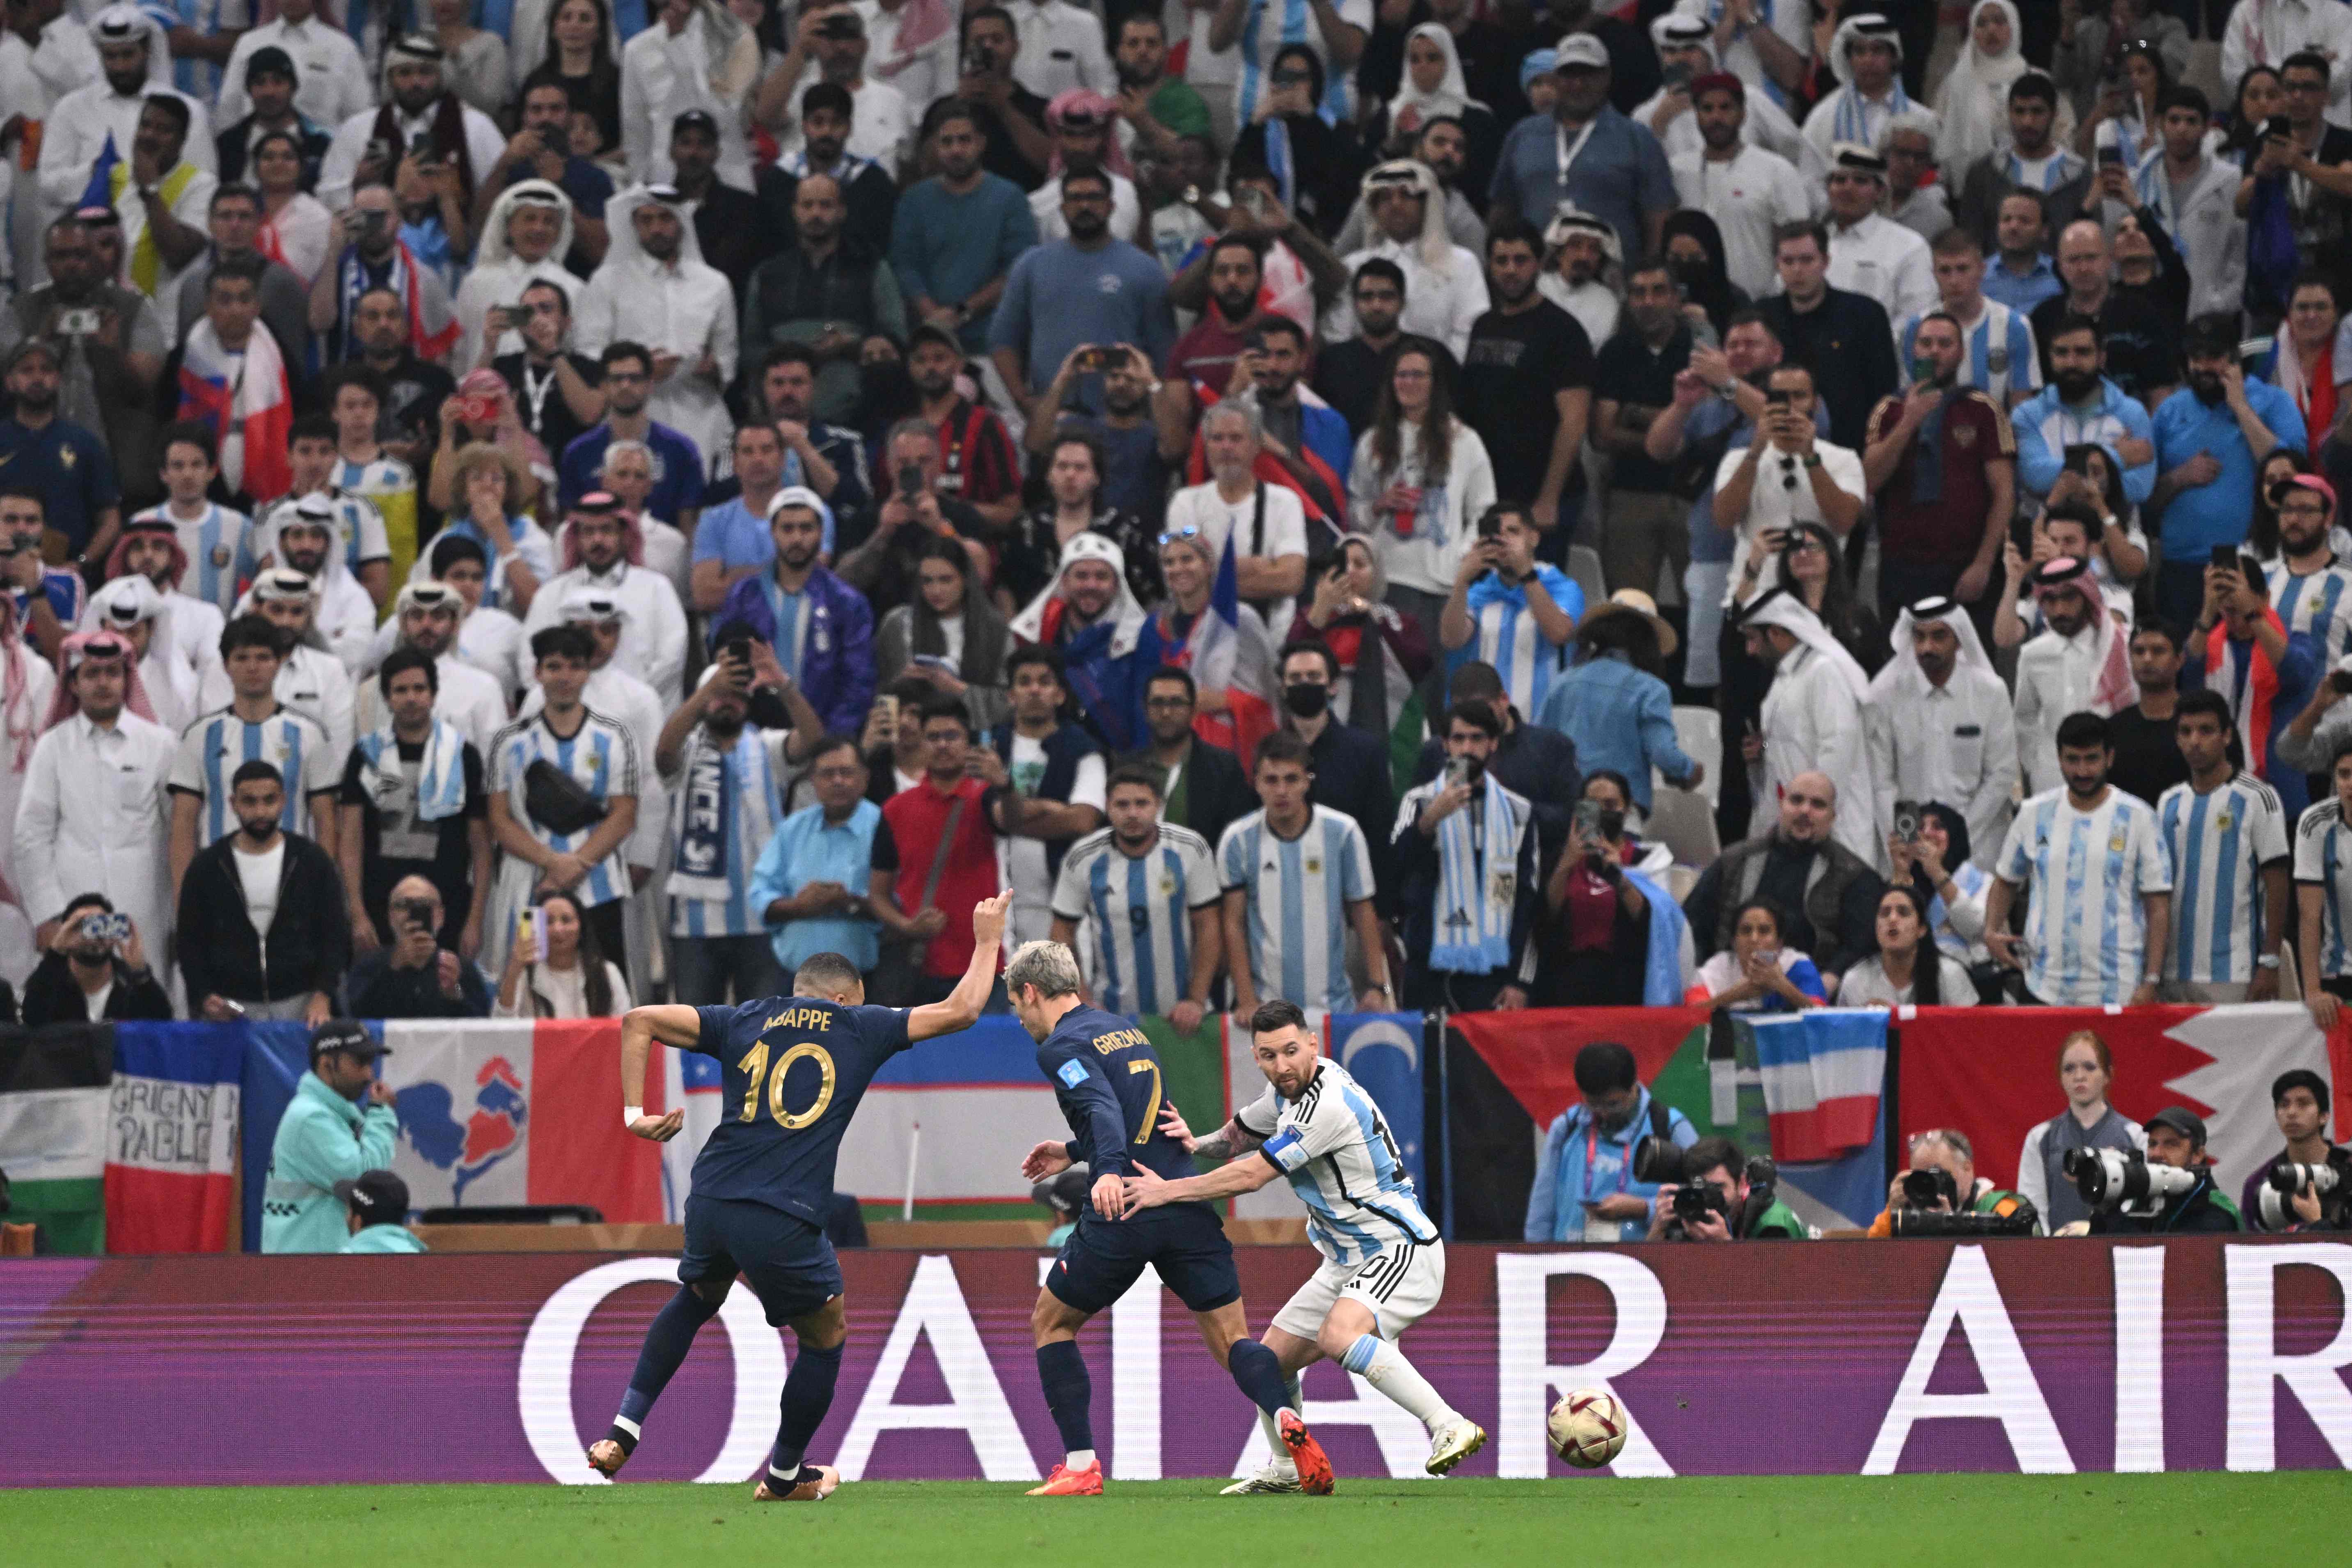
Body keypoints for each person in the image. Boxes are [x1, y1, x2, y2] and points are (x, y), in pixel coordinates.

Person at [584, 892, 1012, 1500]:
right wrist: (987, 935)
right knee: (824, 1333)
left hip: (710, 1197)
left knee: (699, 1295)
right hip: (780, 1210)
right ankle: (786, 1475)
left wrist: (634, 1114)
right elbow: (963, 1008)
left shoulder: (743, 1016)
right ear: (841, 999)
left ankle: (623, 1429)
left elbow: (638, 1021)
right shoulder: (858, 1024)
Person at [1124, 998, 1479, 1492]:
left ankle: (1449, 1424)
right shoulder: (1287, 1094)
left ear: (1313, 1044)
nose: (1282, 1064)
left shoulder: (1325, 1104)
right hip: (1347, 1257)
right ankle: (1286, 1468)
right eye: (1269, 1055)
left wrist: (1166, 1189)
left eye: (1291, 1051)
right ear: (1257, 1057)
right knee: (1267, 1362)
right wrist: (1193, 1144)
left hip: (1398, 1246)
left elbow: (1251, 1176)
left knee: (1340, 1334)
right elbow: (1237, 1137)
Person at [14, 634, 175, 976]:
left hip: (144, 910)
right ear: (73, 684)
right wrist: (47, 914)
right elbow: (32, 837)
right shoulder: (53, 747)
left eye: (113, 673)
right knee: (77, 1017)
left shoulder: (160, 744)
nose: (103, 683)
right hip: (73, 913)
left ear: (126, 679)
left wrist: (180, 915)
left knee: (145, 1008)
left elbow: (179, 832)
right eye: (91, 674)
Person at [484, 626, 641, 977]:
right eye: (554, 666)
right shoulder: (508, 741)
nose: (564, 676)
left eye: (575, 666)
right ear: (537, 672)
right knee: (528, 985)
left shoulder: (614, 735)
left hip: (598, 885)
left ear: (588, 672)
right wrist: (553, 863)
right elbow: (500, 819)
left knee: (605, 986)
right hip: (530, 882)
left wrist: (576, 864)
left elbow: (624, 814)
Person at [1987, 710, 2172, 1005]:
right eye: (2072, 759)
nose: (2082, 771)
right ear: (2059, 759)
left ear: (2109, 758)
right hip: (2043, 986)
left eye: (2091, 759)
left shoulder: (2138, 818)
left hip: (2118, 989)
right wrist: (1990, 931)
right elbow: (2006, 879)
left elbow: (2158, 905)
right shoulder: (2033, 813)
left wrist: (2151, 979)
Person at [2150, 314, 2308, 629]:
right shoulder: (2168, 412)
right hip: (2182, 566)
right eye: (2196, 358)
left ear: (2235, 358)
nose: (2204, 367)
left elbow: (2291, 475)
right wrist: (2180, 477)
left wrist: (2239, 406)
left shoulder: (2274, 402)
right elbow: (2147, 496)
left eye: (2214, 357)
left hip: (2256, 564)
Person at [1218, 730, 1388, 1015]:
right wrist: (1246, 999)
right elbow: (1233, 923)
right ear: (1256, 782)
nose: (1281, 790)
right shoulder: (1237, 840)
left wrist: (1376, 985)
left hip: (1334, 1008)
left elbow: (1362, 911)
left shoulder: (1343, 833)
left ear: (1307, 781)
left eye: (1291, 779)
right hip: (1265, 1010)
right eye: (1271, 780)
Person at [169, 616, 339, 896]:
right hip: (219, 888)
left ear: (279, 662)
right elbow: (183, 824)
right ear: (226, 665)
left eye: (263, 657)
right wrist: (183, 901)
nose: (253, 667)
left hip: (292, 887)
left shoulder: (310, 734)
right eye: (242, 657)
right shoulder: (199, 736)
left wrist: (324, 894)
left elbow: (326, 820)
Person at [339, 646, 492, 956]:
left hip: (447, 907)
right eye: (401, 689)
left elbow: (481, 846)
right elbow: (351, 839)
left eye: (419, 688)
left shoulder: (463, 755)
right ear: (387, 697)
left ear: (434, 695)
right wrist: (357, 913)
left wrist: (474, 921)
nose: (411, 698)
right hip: (379, 905)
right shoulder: (366, 754)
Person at [1865, 311, 2018, 620]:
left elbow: (2004, 494)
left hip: (1966, 563)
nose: (1934, 351)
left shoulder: (1982, 408)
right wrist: (1910, 421)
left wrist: (1984, 563)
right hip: (1902, 564)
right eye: (1926, 343)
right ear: (1913, 351)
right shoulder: (1889, 410)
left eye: (1945, 343)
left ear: (1961, 353)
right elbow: (1869, 481)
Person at [988, 168, 1173, 419]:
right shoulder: (1031, 265)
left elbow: (1165, 354)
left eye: (1094, 198)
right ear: (1063, 208)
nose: (1084, 205)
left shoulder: (1144, 269)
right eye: (1075, 199)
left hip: (1126, 420)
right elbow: (1003, 341)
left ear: (1111, 206)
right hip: (1054, 419)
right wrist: (1024, 400)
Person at [866, 697, 1017, 1004]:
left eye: (952, 736)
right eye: (933, 737)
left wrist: (1005, 784)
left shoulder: (985, 798)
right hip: (915, 965)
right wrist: (907, 926)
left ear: (968, 744)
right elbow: (877, 894)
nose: (943, 745)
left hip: (982, 966)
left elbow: (1014, 820)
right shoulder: (895, 808)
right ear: (921, 744)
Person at [574, 187, 737, 467]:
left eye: (665, 219)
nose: (656, 229)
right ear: (634, 226)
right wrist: (641, 371)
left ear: (680, 223)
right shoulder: (607, 281)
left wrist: (713, 369)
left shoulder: (714, 284)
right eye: (646, 221)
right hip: (631, 417)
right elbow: (589, 351)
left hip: (702, 415)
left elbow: (728, 357)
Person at [178, 759, 350, 1025]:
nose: (260, 811)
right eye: (249, 802)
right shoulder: (207, 866)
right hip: (230, 1010)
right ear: (233, 803)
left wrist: (323, 994)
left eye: (269, 801)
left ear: (283, 801)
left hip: (303, 1006)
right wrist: (203, 995)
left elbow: (335, 934)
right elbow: (190, 940)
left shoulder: (311, 860)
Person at [1391, 702, 1538, 1011]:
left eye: (1477, 738)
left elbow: (1526, 898)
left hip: (1493, 971)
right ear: (1444, 744)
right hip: (1429, 967)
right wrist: (1430, 820)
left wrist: (1519, 981)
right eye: (1458, 739)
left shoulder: (1518, 810)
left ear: (1493, 744)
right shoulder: (1418, 801)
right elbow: (1394, 869)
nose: (1467, 748)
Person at [1046, 765, 1221, 1023]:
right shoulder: (1083, 857)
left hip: (1182, 1017)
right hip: (1111, 1016)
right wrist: (1081, 999)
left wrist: (1195, 1000)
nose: (1133, 814)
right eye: (1122, 805)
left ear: (1158, 805)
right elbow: (1061, 934)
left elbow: (1208, 926)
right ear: (1108, 806)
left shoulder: (1190, 849)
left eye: (1142, 804)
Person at [1684, 770, 1886, 991]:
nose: (1805, 811)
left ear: (1833, 817)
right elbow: (1691, 926)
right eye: (1797, 800)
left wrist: (1829, 978)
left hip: (1810, 997)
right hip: (1730, 991)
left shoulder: (1854, 875)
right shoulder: (1734, 861)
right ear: (1782, 804)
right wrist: (1702, 981)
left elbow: (1861, 945)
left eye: (1818, 805)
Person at [2152, 689, 2292, 1002]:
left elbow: (2277, 882)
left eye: (2206, 730)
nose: (2195, 741)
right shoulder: (2168, 803)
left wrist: (2269, 961)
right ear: (2176, 738)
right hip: (2173, 970)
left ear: (2227, 736)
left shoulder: (2258, 797)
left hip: (2233, 970)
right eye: (2186, 732)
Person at [738, 171, 906, 427]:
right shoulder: (768, 274)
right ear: (795, 211)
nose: (816, 214)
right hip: (781, 420)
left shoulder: (870, 267)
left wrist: (851, 346)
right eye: (808, 205)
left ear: (842, 211)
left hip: (857, 416)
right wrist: (798, 355)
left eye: (826, 205)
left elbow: (896, 339)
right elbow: (750, 350)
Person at [1488, 34, 1671, 267]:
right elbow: (1502, 210)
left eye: (1588, 74)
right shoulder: (1523, 135)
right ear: (1556, 78)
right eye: (1569, 74)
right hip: (1534, 282)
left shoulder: (1637, 137)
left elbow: (1658, 217)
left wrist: (1648, 277)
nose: (1578, 84)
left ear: (1607, 76)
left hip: (1612, 282)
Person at [1865, 596, 2018, 867]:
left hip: (1977, 842)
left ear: (1958, 639)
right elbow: (1883, 780)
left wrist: (1956, 837)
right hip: (1911, 845)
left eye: (1938, 637)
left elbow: (2001, 775)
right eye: (1920, 637)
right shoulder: (1887, 694)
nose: (1927, 647)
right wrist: (1909, 840)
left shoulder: (1990, 691)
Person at [713, 488, 876, 737]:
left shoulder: (847, 603)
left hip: (825, 741)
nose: (797, 539)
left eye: (806, 529)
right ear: (773, 532)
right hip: (754, 737)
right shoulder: (744, 596)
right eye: (788, 529)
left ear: (821, 533)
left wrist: (828, 742)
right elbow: (725, 666)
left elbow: (857, 682)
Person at [889, 100, 1042, 360]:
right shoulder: (914, 201)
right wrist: (934, 317)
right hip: (929, 346)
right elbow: (905, 266)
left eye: (964, 140)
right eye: (947, 142)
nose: (956, 150)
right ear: (936, 147)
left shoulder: (1010, 198)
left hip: (993, 344)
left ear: (981, 144)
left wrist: (962, 311)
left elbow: (1018, 269)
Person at [1736, 589, 1875, 866]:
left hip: (1830, 832)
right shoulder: (1784, 678)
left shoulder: (1824, 671)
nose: (1749, 650)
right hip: (1795, 829)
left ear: (1775, 633)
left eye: (1752, 639)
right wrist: (1761, 748)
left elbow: (1837, 747)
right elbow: (1787, 742)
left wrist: (1810, 816)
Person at [2188, 546, 2324, 816]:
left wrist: (2253, 614)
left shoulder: (2296, 641)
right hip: (2218, 791)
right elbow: (2189, 682)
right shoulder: (2210, 645)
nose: (2234, 618)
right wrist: (2206, 612)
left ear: (2266, 597)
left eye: (2239, 609)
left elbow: (2294, 673)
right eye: (2227, 610)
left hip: (2280, 794)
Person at [528, 492, 690, 708]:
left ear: (624, 534)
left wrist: (626, 701)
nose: (598, 540)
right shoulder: (551, 594)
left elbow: (672, 659)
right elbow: (529, 661)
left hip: (640, 714)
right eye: (589, 532)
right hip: (567, 715)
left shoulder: (657, 589)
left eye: (606, 530)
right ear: (576, 538)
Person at [1437, 503, 1581, 745]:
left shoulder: (1561, 587)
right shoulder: (1480, 591)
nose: (1504, 541)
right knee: (1461, 781)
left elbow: (1559, 633)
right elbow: (1451, 640)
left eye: (1513, 532)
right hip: (1478, 735)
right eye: (1497, 534)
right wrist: (1461, 581)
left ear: (1534, 538)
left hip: (1541, 730)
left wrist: (1526, 573)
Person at [1526, 1042, 1697, 1245]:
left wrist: (1644, 1209)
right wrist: (1535, 1258)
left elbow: (1701, 1199)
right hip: (1573, 1262)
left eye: (1613, 1104)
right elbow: (1541, 1210)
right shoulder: (1565, 1129)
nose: (1603, 1113)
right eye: (1593, 1104)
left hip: (1649, 1263)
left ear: (1634, 1085)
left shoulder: (1670, 1127)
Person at [1004, 533, 1158, 753]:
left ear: (1117, 585)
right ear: (1064, 582)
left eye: (1102, 577)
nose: (1091, 585)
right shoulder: (1035, 637)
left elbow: (1144, 716)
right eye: (1082, 576)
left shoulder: (1140, 639)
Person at [1161, 402, 1312, 623]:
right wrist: (1259, 567)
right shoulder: (1185, 502)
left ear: (1256, 445)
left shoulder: (1285, 502)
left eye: (1236, 438)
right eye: (1217, 439)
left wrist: (1210, 572)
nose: (1226, 447)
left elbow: (1291, 580)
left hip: (1270, 640)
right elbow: (1182, 579)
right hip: (1201, 635)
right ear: (1206, 445)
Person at [747, 733, 881, 984]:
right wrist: (800, 907)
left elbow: (901, 902)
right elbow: (759, 893)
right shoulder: (793, 828)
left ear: (865, 778)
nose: (838, 781)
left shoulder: (884, 827)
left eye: (846, 772)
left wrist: (847, 903)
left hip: (866, 982)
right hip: (792, 980)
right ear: (813, 780)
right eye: (828, 774)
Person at [1754, 222, 1899, 452]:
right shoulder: (1762, 318)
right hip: (1775, 445)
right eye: (1788, 262)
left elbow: (1884, 393)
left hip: (1849, 448)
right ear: (1777, 265)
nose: (1797, 270)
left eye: (1807, 260)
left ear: (1825, 262)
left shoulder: (1864, 314)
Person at [1667, 73, 1813, 301]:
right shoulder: (1677, 169)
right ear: (1696, 115)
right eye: (1707, 109)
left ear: (1743, 114)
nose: (1717, 117)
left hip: (1759, 303)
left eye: (1726, 108)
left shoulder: (1776, 170)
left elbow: (1797, 241)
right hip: (1692, 304)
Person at [259, 1019, 395, 1253]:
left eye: (370, 1063)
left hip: (311, 1266)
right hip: (304, 1273)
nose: (369, 1074)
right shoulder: (311, 1119)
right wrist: (382, 1115)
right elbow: (367, 1180)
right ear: (327, 1065)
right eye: (360, 1062)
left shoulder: (332, 1115)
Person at [2237, 50, 2352, 326]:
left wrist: (2299, 164)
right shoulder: (2266, 141)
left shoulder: (2343, 141)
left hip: (2338, 283)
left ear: (2326, 96)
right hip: (2275, 285)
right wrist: (2262, 170)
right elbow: (2240, 207)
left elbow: (2348, 183)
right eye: (2290, 88)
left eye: (2309, 88)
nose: (2298, 97)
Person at [2011, 554, 2138, 796]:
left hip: (2114, 780)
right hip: (2051, 784)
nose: (2059, 610)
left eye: (2069, 598)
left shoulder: (2120, 645)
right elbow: (2024, 719)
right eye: (2049, 600)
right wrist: (2037, 767)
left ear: (2087, 596)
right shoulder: (2032, 655)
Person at [0, 341, 123, 571]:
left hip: (67, 573)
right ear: (10, 382)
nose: (38, 378)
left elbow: (110, 519)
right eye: (27, 370)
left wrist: (81, 563)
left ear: (58, 379)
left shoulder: (85, 444)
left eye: (46, 370)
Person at [613, 0, 759, 192]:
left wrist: (678, 42)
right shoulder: (638, 50)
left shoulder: (736, 38)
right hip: (665, 181)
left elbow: (730, 112)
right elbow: (637, 135)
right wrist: (640, 189)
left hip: (728, 176)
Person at [557, 341, 707, 523]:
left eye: (634, 379)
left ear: (650, 384)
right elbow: (569, 526)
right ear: (603, 386)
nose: (625, 386)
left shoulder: (681, 451)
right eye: (616, 379)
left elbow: (690, 530)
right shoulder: (578, 453)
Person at [875, 539, 1012, 736]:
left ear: (965, 579)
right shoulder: (898, 624)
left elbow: (1008, 704)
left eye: (946, 580)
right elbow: (879, 694)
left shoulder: (996, 630)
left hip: (976, 741)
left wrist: (955, 688)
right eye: (927, 581)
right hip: (912, 742)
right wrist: (902, 683)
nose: (936, 591)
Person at [2016, 1030, 2147, 1232]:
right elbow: (2032, 1209)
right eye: (2069, 1069)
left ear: (2108, 1074)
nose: (2079, 1076)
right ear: (2060, 1077)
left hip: (2118, 1253)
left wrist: (2096, 1230)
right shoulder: (2040, 1137)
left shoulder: (2136, 1136)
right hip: (2058, 1256)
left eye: (2090, 1067)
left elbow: (2141, 1207)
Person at [1117, 666, 1256, 856]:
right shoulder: (1125, 768)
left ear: (1193, 710)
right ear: (1145, 710)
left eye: (1176, 703)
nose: (1166, 712)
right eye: (1158, 703)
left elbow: (1238, 842)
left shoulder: (1224, 769)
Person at [344, 872, 491, 1018]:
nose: (412, 912)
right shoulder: (368, 966)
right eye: (404, 905)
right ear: (390, 916)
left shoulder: (460, 968)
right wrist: (393, 968)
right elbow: (355, 1015)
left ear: (441, 916)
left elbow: (481, 1026)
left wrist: (455, 991)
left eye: (425, 905)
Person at [1820, 142, 1935, 326]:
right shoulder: (1814, 243)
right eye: (1840, 180)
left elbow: (1917, 316)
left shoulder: (1909, 246)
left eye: (1860, 181)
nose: (1848, 189)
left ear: (1880, 191)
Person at [2082, 1106, 2242, 1234]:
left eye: (2171, 1144)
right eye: (2152, 1144)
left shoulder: (2216, 1211)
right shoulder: (2143, 1202)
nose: (2156, 1154)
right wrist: (2104, 1206)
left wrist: (2113, 1214)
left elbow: (2167, 1265)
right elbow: (2098, 1260)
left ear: (2197, 1155)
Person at [20, 894, 172, 1025]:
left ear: (114, 932)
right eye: (82, 926)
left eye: (102, 925)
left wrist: (140, 971)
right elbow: (31, 1017)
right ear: (66, 933)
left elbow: (163, 1024)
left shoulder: (131, 982)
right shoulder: (51, 979)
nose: (94, 936)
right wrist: (55, 952)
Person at [494, 888, 632, 1018]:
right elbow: (500, 1029)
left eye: (566, 920)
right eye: (549, 921)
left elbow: (625, 1030)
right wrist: (514, 967)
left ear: (581, 927)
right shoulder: (523, 975)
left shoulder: (607, 973)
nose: (558, 929)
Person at [1839, 884, 1978, 1008]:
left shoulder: (1950, 974)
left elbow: (1969, 1034)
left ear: (1922, 929)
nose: (1892, 919)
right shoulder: (1856, 980)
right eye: (1885, 913)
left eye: (1903, 913)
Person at [1643, 1135, 1806, 1240]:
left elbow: (1771, 1288)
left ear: (1742, 1184)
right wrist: (1658, 1229)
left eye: (1717, 1187)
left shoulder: (1774, 1225)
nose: (1707, 1197)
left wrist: (1725, 1246)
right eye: (1699, 1188)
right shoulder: (1692, 1212)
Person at [2242, 1070, 2346, 1230]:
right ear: (2277, 1116)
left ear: (2324, 1116)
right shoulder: (2260, 1182)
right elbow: (2249, 1246)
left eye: (2303, 1104)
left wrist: (2318, 1224)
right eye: (2284, 1105)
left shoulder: (2347, 1169)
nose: (2292, 1113)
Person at [1685, 897, 1826, 1010]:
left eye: (1764, 931)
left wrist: (1782, 985)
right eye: (1746, 931)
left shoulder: (1797, 966)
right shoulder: (1718, 968)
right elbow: (1689, 1015)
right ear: (1734, 942)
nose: (1754, 939)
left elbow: (1823, 1017)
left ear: (1780, 942)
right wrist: (1733, 996)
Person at [2297, 734, 2352, 1023]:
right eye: (2344, 774)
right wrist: (2313, 990)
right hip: (2337, 976)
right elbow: (2309, 913)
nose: (2351, 784)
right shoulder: (2314, 823)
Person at [334, 1167, 425, 1254]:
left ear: (358, 1221)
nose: (346, 1217)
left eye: (349, 1210)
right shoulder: (426, 1265)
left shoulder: (338, 1266)